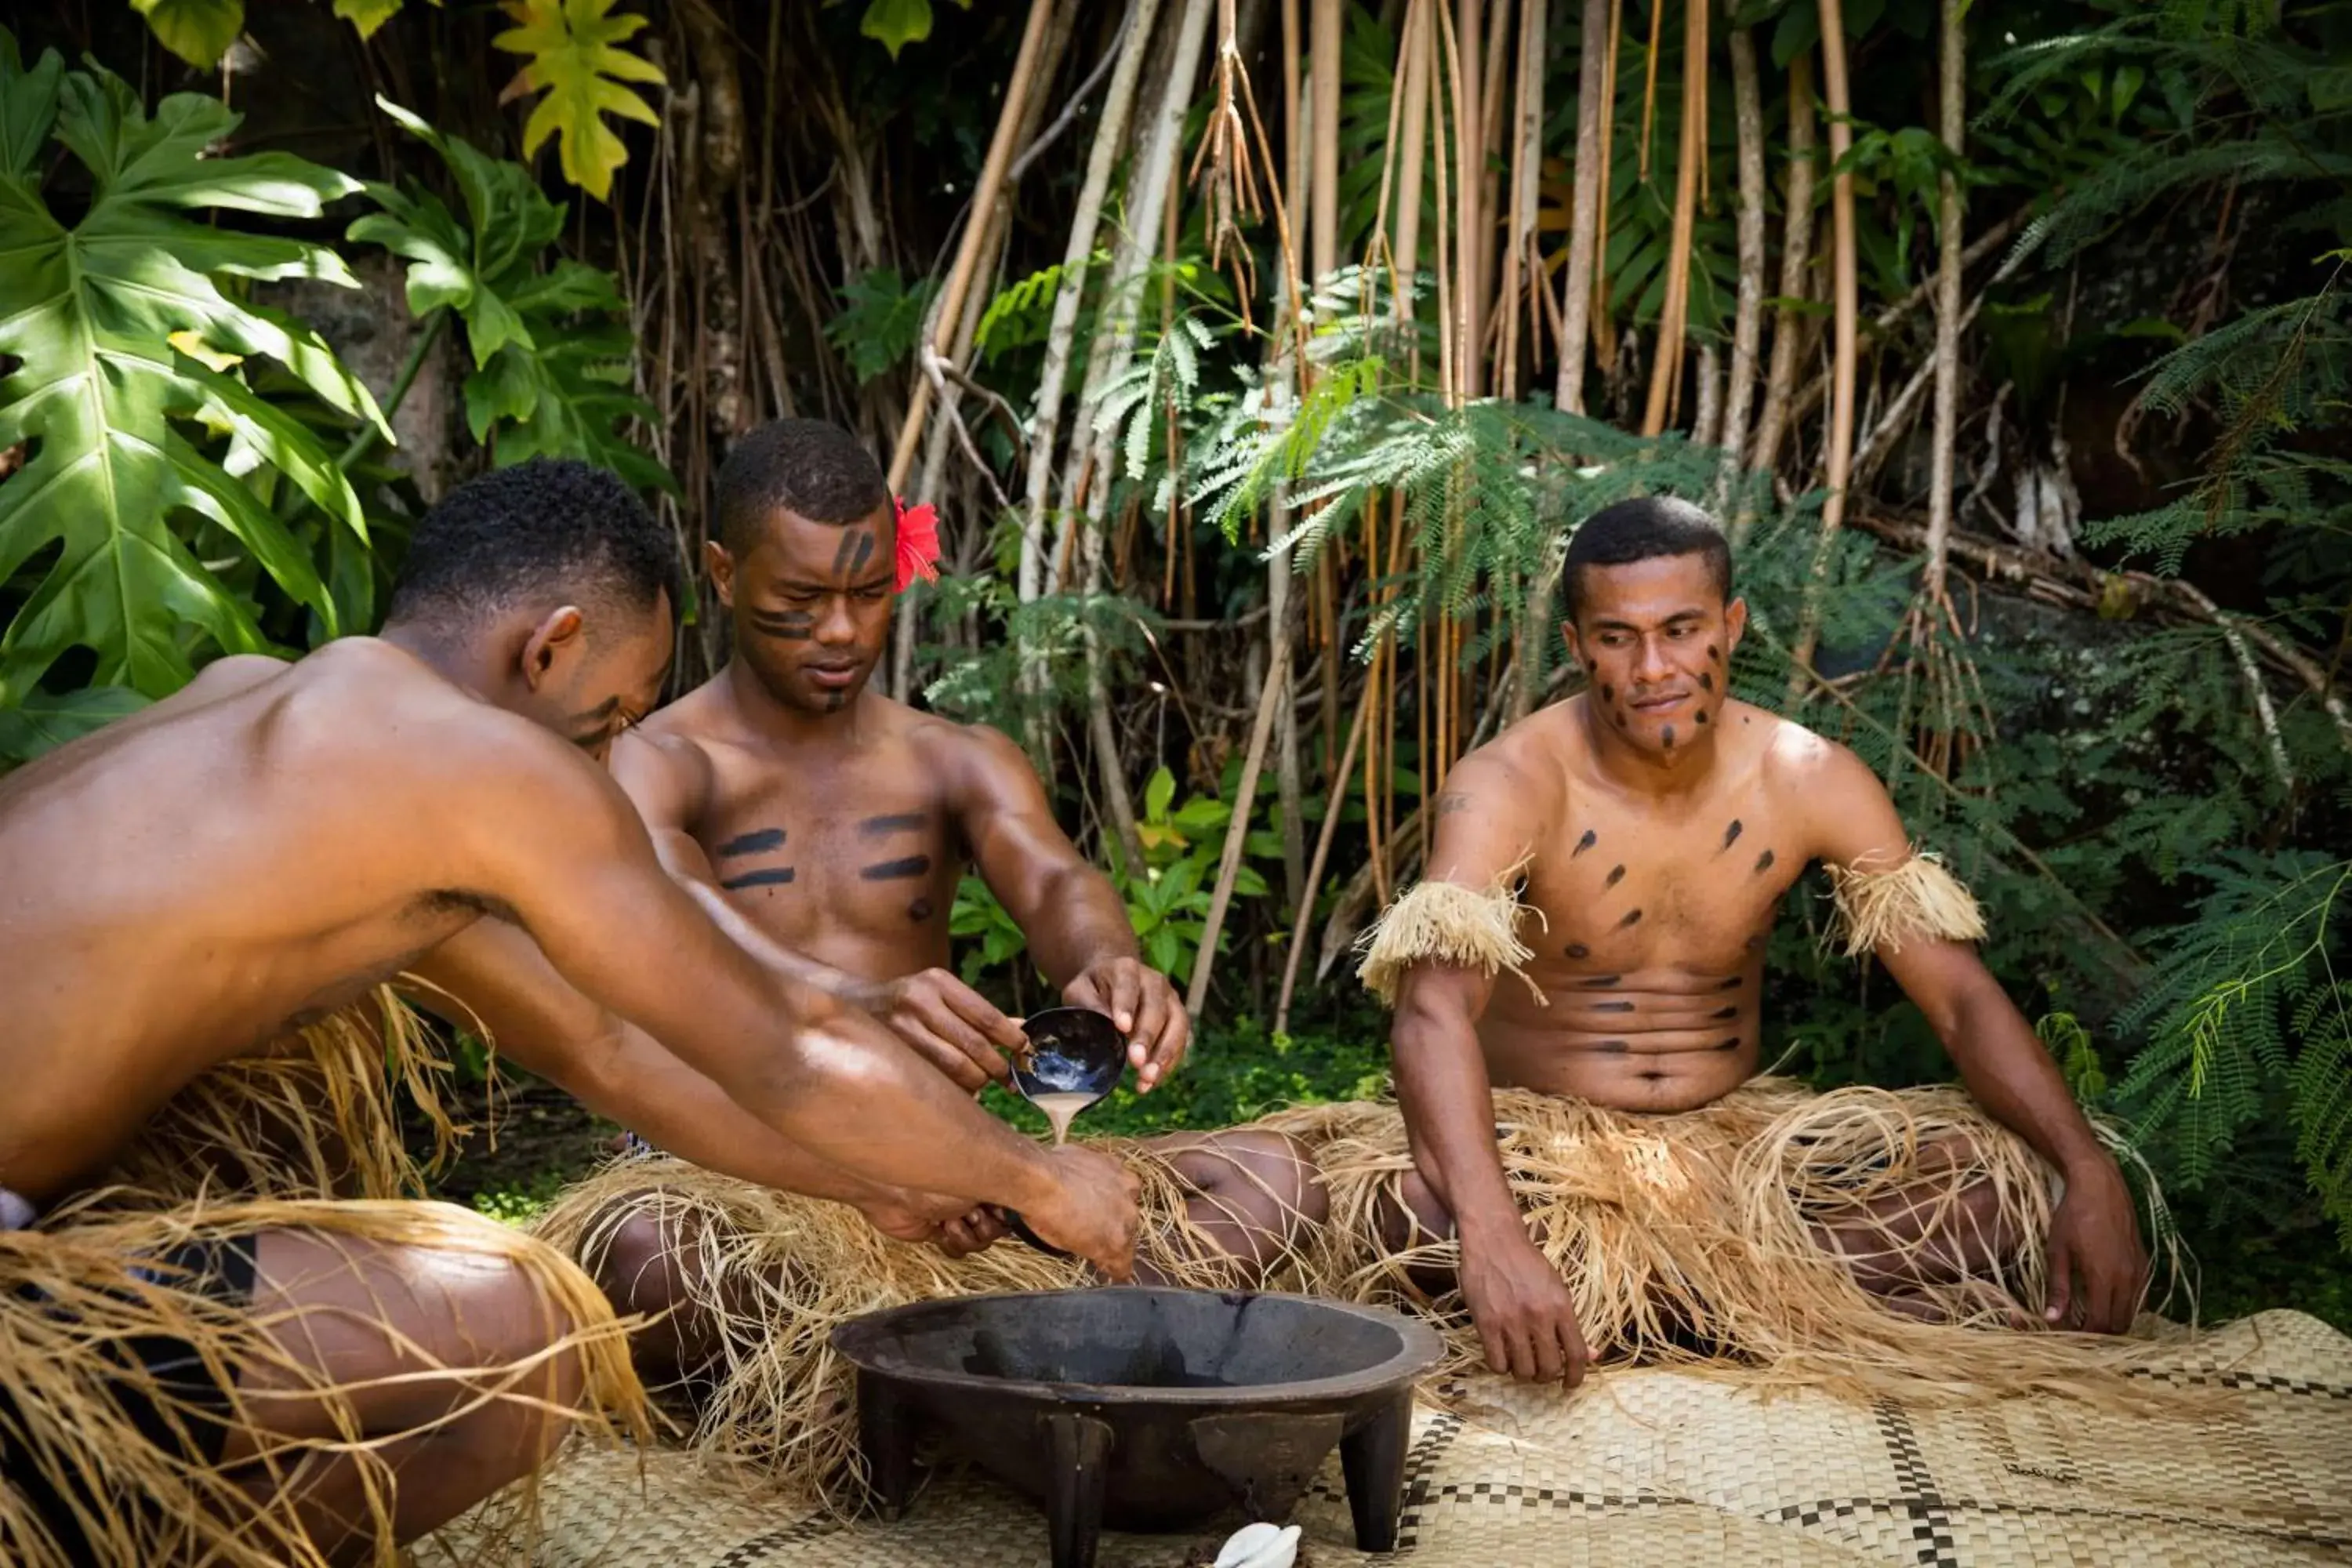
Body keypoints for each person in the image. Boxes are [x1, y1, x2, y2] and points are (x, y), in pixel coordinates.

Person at [0, 459, 1135, 1568]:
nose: (607, 759)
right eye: (609, 720)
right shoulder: (478, 765)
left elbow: (607, 1048)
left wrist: (885, 1182)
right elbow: (787, 1052)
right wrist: (1043, 1180)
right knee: (526, 1339)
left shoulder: (271, 707)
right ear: (546, 647)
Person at [504, 419, 1325, 1483]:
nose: (841, 631)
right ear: (724, 573)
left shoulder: (951, 757)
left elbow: (1054, 878)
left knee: (1269, 1177)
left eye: (869, 594)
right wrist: (849, 1000)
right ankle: (1009, 1366)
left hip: (956, 1178)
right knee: (645, 1256)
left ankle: (942, 1374)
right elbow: (677, 907)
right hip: (740, 1176)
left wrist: (1108, 960)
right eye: (801, 600)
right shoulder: (658, 761)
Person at [1258, 495, 2158, 1400]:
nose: (1654, 668)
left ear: (1730, 625)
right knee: (1406, 1215)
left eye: (1681, 630)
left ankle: (1645, 1305)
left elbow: (1958, 999)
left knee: (2004, 1185)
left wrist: (2086, 1167)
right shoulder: (1509, 782)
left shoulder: (1807, 775)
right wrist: (1493, 1232)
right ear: (1576, 644)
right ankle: (1769, 1303)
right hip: (1543, 1154)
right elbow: (1432, 1012)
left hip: (1732, 1161)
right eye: (1618, 638)